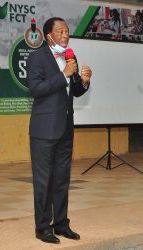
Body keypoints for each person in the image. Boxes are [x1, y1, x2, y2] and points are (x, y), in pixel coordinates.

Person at [27, 17, 92, 244]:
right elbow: (36, 89)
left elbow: (73, 91)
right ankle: (42, 228)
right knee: (43, 181)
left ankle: (62, 224)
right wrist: (63, 74)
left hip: (65, 128)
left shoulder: (69, 57)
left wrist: (83, 81)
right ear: (49, 36)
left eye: (67, 31)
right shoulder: (37, 57)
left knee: (62, 180)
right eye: (60, 31)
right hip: (44, 130)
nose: (66, 35)